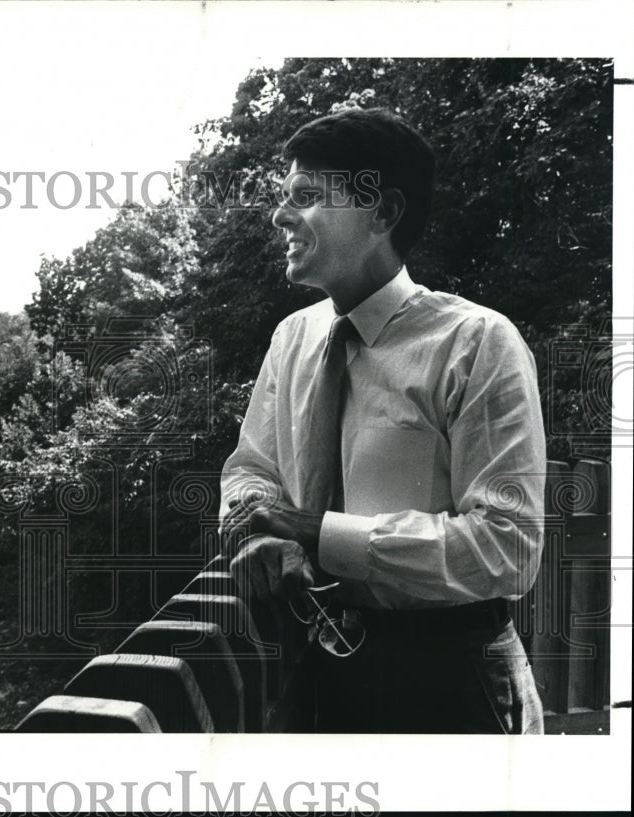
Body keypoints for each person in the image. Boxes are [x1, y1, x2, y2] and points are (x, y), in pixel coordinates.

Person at [219, 107, 546, 734]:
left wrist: (318, 532)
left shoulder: (476, 342)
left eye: (308, 197)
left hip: (452, 685)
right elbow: (250, 471)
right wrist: (260, 533)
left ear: (383, 212)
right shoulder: (292, 338)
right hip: (316, 677)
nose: (280, 216)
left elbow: (509, 548)